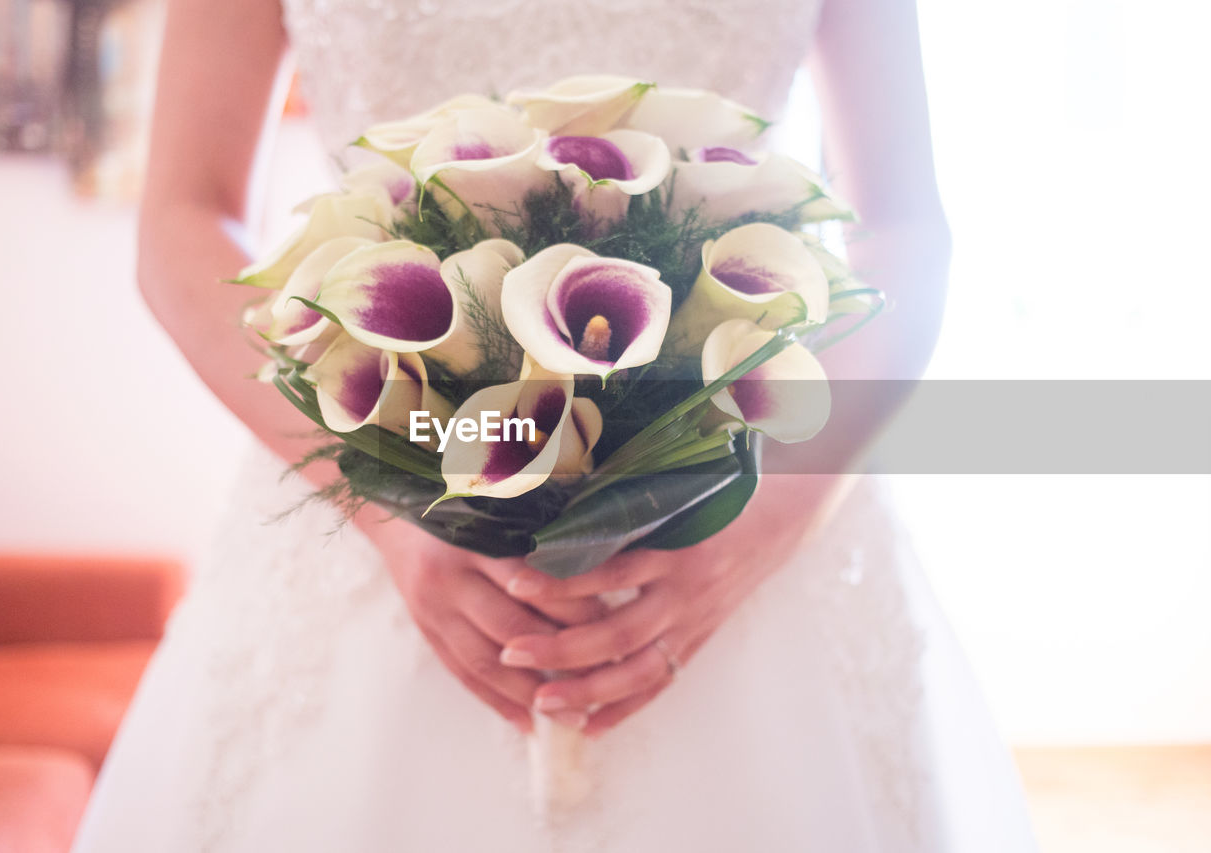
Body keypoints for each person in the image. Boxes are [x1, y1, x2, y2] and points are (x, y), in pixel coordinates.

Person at [74, 0, 1039, 850]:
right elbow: (182, 216)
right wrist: (386, 512)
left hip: (740, 500)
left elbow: (905, 226)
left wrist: (763, 521)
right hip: (383, 515)